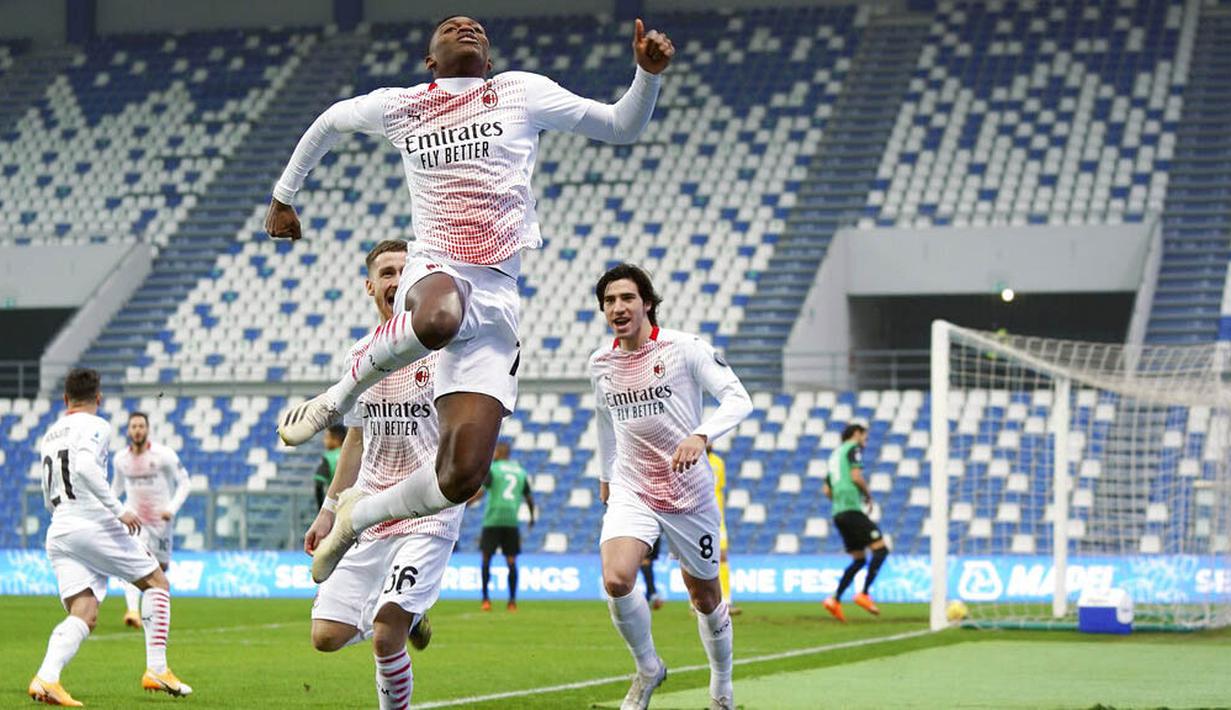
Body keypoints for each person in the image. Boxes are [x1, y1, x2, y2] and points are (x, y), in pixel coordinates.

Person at [265, 15, 676, 585]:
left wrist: (646, 75)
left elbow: (619, 125)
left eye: (477, 27)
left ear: (488, 57)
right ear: (430, 59)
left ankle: (362, 515)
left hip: (498, 295)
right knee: (437, 316)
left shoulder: (519, 91)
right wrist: (284, 196)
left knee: (460, 477)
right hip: (436, 265)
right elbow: (329, 122)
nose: (466, 26)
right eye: (451, 25)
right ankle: (334, 399)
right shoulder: (402, 104)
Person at [303, 239, 465, 709]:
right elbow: (355, 439)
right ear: (370, 286)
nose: (395, 281)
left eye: (403, 271)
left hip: (427, 510)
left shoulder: (443, 351)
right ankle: (413, 617)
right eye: (387, 273)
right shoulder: (362, 353)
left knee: (384, 633)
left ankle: (401, 620)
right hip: (367, 511)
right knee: (326, 636)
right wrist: (328, 511)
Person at [590, 264, 751, 710]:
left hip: (687, 491)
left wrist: (701, 435)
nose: (618, 308)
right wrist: (606, 475)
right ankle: (648, 668)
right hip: (632, 486)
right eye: (609, 301)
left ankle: (721, 686)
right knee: (616, 578)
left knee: (705, 596)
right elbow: (605, 420)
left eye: (626, 298)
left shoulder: (686, 349)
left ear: (647, 303)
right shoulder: (600, 363)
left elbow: (739, 399)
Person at [28, 369, 191, 706]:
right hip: (91, 524)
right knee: (158, 583)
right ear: (98, 398)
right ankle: (157, 669)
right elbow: (86, 468)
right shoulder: (96, 426)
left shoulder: (50, 434)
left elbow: (47, 493)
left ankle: (46, 678)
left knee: (84, 611)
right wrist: (119, 510)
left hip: (59, 528)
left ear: (65, 399)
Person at [111, 411, 191, 629]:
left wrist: (171, 509)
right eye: (133, 426)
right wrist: (111, 509)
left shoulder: (164, 455)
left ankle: (150, 613)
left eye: (141, 426)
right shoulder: (121, 459)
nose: (137, 430)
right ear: (128, 431)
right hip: (135, 521)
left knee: (159, 571)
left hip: (160, 522)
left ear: (147, 429)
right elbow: (116, 488)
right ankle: (133, 611)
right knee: (133, 565)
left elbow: (185, 482)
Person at [821, 423, 889, 622]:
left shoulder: (834, 456)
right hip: (852, 509)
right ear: (856, 433)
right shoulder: (853, 448)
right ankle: (864, 593)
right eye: (865, 437)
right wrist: (867, 496)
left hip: (838, 512)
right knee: (881, 549)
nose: (865, 442)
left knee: (859, 559)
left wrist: (840, 501)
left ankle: (834, 599)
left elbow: (827, 490)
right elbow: (856, 476)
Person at [471, 441, 535, 611]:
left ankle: (485, 600)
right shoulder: (521, 472)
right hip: (511, 522)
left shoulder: (493, 469)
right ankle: (512, 602)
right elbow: (529, 497)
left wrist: (465, 503)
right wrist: (532, 517)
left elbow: (481, 492)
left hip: (493, 519)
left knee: (486, 559)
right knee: (511, 561)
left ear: (498, 453)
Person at [707, 444, 740, 616]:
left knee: (723, 557)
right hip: (698, 517)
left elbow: (720, 489)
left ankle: (726, 600)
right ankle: (696, 602)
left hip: (718, 518)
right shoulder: (693, 460)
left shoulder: (719, 462)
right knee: (696, 559)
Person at [314, 424, 347, 508]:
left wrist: (321, 507)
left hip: (336, 504)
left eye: (326, 437)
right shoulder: (355, 454)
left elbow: (319, 484)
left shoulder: (328, 457)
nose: (324, 441)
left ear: (336, 439)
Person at [639, 539, 664, 611]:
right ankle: (652, 598)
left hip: (646, 556)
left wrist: (649, 557)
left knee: (648, 578)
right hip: (643, 556)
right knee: (648, 578)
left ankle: (652, 598)